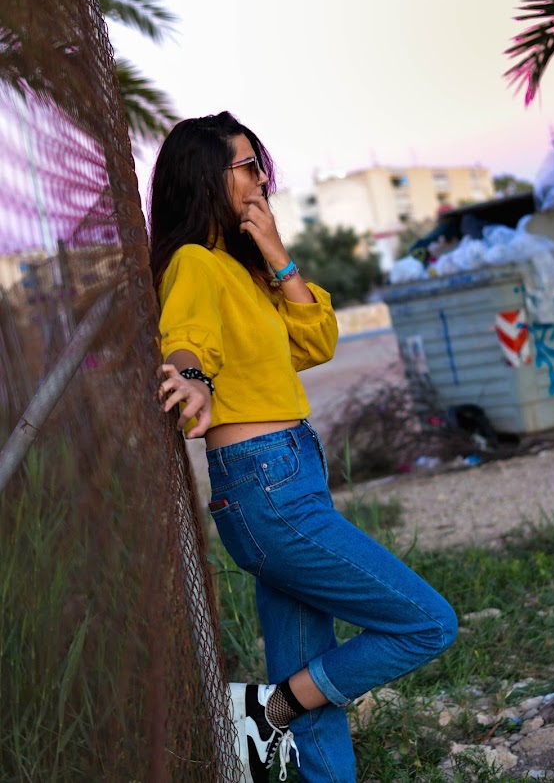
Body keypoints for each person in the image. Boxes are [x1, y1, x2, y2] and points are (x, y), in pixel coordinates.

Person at [150, 112, 458, 783]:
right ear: (206, 177)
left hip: (287, 478)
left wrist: (278, 256)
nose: (262, 179)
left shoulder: (242, 270)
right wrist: (192, 379)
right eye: (247, 167)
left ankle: (295, 732)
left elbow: (316, 343)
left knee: (307, 664)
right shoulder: (194, 263)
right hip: (268, 486)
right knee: (427, 623)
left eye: (261, 165)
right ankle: (269, 712)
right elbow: (186, 340)